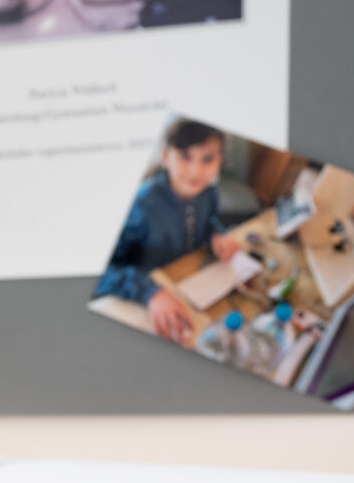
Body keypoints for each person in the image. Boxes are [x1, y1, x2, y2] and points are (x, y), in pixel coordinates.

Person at [90, 118, 243, 340]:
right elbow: (103, 270)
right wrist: (151, 293)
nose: (195, 171)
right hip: (145, 293)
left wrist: (215, 235)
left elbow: (208, 221)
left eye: (208, 159)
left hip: (188, 282)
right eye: (185, 157)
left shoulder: (209, 191)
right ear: (165, 157)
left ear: (220, 161)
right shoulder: (141, 204)